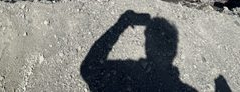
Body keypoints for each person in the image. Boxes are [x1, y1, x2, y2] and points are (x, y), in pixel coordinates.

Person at [81, 10, 231, 92]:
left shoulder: (126, 75)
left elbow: (88, 68)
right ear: (174, 51)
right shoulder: (184, 90)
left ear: (147, 47)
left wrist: (121, 24)